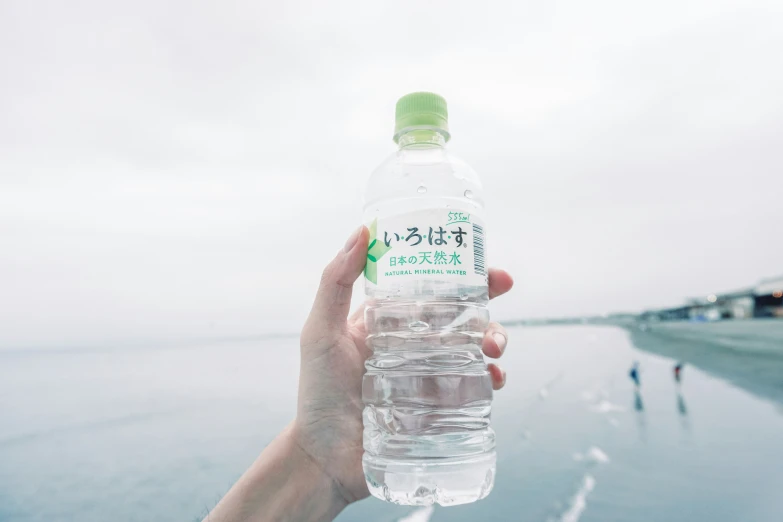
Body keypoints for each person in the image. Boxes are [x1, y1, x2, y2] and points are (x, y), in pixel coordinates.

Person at [203, 226, 514, 522]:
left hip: (453, 451)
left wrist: (317, 465)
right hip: (390, 452)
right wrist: (318, 458)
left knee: (467, 330)